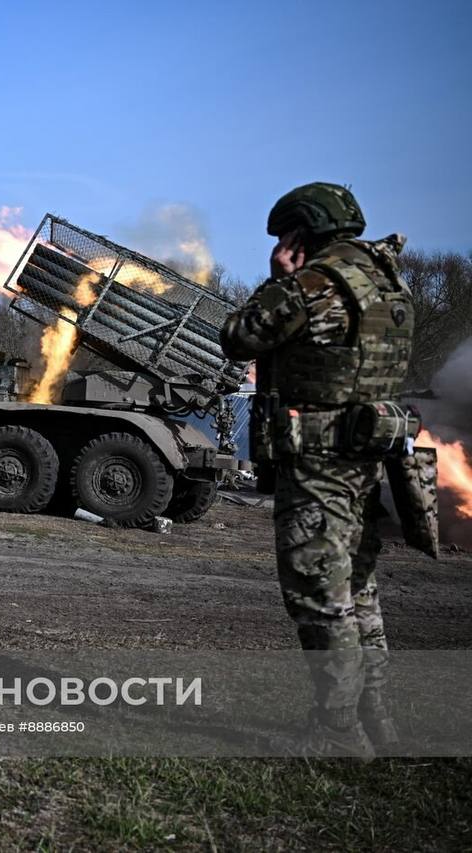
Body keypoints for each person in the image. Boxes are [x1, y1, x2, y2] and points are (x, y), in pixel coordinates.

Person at [220, 182, 413, 759]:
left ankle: (337, 733)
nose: (283, 245)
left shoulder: (312, 285)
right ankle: (377, 721)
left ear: (302, 234)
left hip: (318, 463)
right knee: (358, 591)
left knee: (318, 595)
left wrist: (277, 278)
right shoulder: (389, 284)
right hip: (366, 460)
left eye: (287, 236)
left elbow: (238, 338)